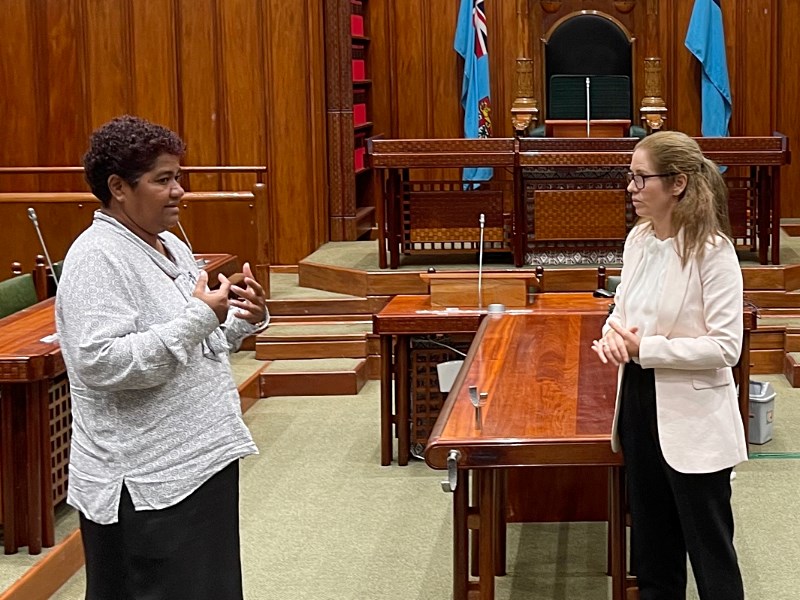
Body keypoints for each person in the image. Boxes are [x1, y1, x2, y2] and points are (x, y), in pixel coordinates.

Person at [56, 115, 268, 600]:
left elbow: (196, 344)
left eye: (179, 176)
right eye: (163, 179)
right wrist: (200, 317)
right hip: (147, 483)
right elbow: (100, 361)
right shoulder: (97, 257)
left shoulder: (170, 242)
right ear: (118, 188)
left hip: (200, 462)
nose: (180, 191)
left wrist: (241, 318)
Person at [591, 130, 747, 600]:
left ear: (677, 183)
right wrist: (611, 339)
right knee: (653, 552)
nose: (631, 187)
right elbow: (621, 310)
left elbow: (725, 348)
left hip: (693, 419)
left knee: (710, 554)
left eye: (642, 178)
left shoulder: (713, 252)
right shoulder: (639, 240)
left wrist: (646, 350)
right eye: (630, 177)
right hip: (638, 402)